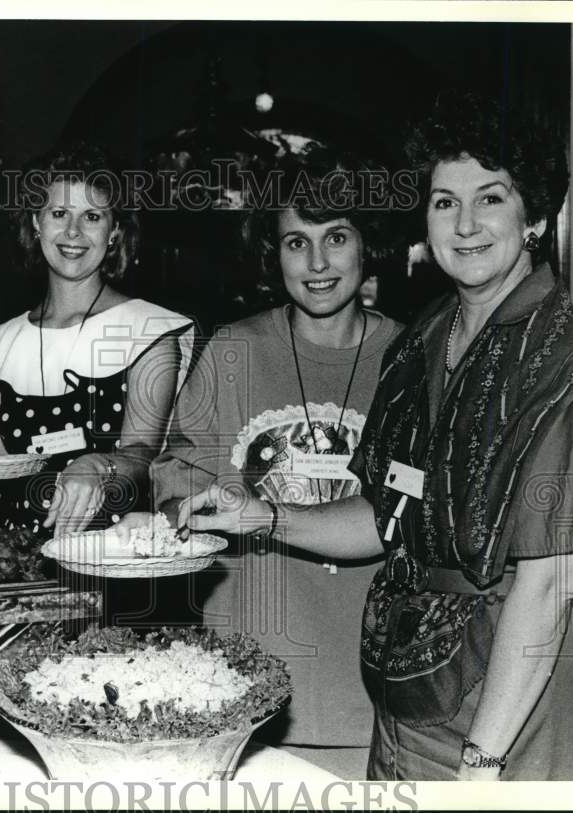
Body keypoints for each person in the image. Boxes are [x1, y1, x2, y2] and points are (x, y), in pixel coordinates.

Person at [164, 92, 573, 780]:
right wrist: (263, 514)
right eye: (445, 201)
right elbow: (388, 516)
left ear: (535, 215)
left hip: (513, 713)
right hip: (413, 694)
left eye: (491, 198)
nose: (466, 223)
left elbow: (549, 589)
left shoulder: (569, 366)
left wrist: (482, 762)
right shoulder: (424, 342)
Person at [118, 147, 403, 756]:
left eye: (337, 236)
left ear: (367, 245)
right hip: (247, 684)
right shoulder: (233, 352)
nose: (318, 262)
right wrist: (180, 510)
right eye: (296, 242)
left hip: (378, 695)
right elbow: (176, 485)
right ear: (273, 255)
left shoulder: (413, 360)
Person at [0, 142, 193, 538]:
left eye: (92, 216)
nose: (73, 232)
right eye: (59, 213)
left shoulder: (146, 331)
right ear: (36, 223)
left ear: (115, 232)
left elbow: (143, 458)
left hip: (111, 556)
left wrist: (97, 465)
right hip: (17, 561)